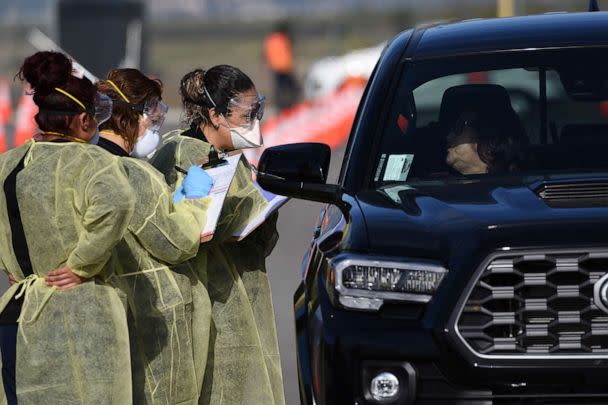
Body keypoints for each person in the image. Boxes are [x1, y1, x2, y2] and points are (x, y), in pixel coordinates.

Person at [0, 51, 134, 404]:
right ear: (83, 121)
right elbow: (116, 204)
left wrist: (12, 266)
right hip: (77, 316)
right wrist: (81, 265)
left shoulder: (8, 162)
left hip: (16, 313)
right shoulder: (94, 161)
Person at [149, 65, 285, 405]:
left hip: (229, 297)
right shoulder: (187, 155)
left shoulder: (227, 158)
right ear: (215, 114)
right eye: (246, 114)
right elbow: (184, 231)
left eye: (258, 111)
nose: (254, 122)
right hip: (207, 302)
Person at [96, 69, 214, 404]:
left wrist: (171, 201)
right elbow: (176, 241)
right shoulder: (133, 172)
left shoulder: (90, 164)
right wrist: (194, 201)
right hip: (146, 316)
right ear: (128, 116)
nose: (157, 120)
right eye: (151, 112)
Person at [446, 110, 527, 175]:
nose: (449, 137)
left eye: (459, 126)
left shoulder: (519, 192)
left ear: (490, 141)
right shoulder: (438, 187)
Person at [264, 21, 299, 110]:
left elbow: (266, 54)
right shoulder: (284, 38)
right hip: (285, 67)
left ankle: (281, 106)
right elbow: (288, 51)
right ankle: (290, 105)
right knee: (293, 88)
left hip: (276, 67)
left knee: (280, 89)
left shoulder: (270, 39)